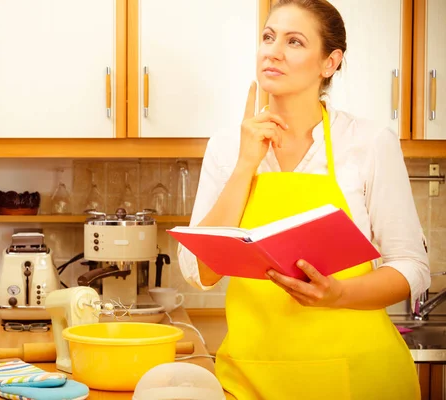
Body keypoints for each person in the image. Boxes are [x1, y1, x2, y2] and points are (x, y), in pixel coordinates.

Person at [177, 0, 430, 399]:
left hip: (359, 378)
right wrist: (246, 164)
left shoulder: (367, 142)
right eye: (268, 37)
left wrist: (339, 295)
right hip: (251, 380)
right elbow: (198, 271)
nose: (272, 51)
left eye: (294, 41)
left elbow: (412, 267)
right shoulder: (228, 146)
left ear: (329, 62)